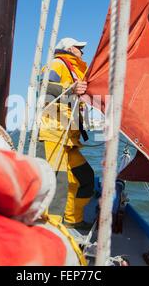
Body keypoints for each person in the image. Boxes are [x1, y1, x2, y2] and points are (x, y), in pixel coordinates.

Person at [37, 37, 94, 230]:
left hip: (69, 139)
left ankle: (72, 220)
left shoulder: (77, 72)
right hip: (52, 134)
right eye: (80, 48)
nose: (82, 51)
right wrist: (71, 89)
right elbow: (42, 87)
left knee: (85, 177)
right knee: (58, 184)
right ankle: (51, 230)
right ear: (70, 48)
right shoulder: (57, 63)